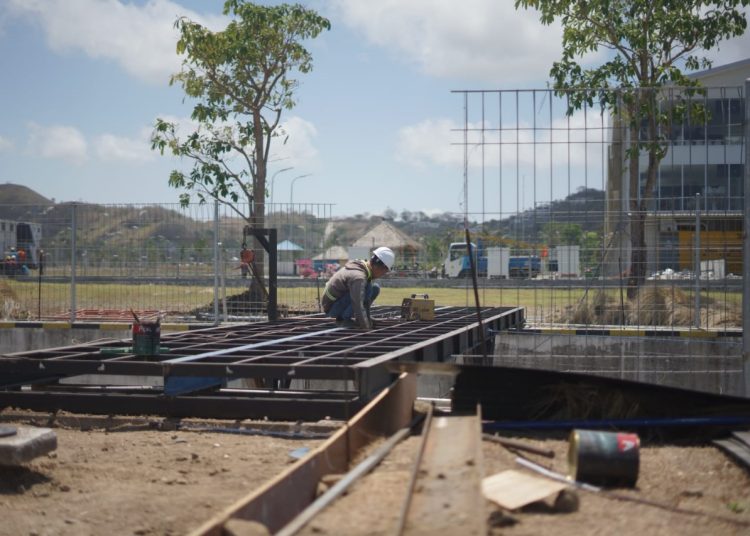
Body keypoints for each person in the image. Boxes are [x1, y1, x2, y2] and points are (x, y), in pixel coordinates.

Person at [321, 246, 395, 329]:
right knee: (367, 289)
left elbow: (364, 301)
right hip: (332, 310)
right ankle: (343, 320)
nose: (382, 275)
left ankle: (358, 318)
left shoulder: (363, 268)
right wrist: (365, 326)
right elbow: (357, 303)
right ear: (379, 267)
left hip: (337, 303)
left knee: (374, 288)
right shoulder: (358, 277)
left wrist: (367, 319)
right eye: (384, 272)